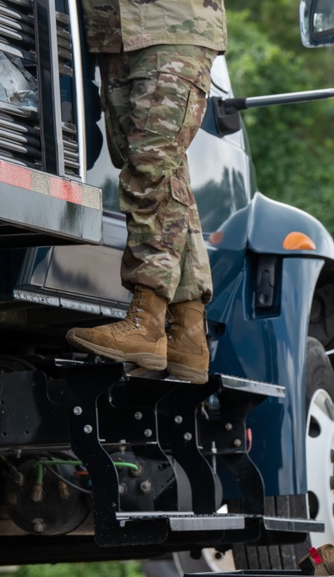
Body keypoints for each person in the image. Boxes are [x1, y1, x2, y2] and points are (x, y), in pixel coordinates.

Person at [67, 1, 227, 384]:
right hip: (112, 35)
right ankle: (188, 333)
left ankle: (148, 324)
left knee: (149, 171)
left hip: (170, 26)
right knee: (162, 173)